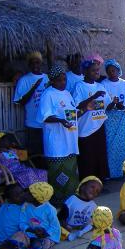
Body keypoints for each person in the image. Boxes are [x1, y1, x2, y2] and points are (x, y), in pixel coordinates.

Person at [38, 65, 79, 205]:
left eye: (64, 79)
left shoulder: (67, 93)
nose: (63, 82)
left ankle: (71, 200)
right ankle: (58, 203)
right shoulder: (48, 95)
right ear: (53, 80)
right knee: (58, 174)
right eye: (60, 80)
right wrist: (60, 120)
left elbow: (72, 113)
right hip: (56, 143)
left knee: (71, 173)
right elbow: (45, 117)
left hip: (70, 141)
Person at [72, 59, 113, 181]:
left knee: (99, 154)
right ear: (85, 72)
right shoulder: (79, 86)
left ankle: (100, 180)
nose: (96, 73)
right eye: (93, 70)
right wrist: (94, 96)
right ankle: (86, 181)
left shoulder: (100, 86)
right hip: (86, 127)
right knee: (87, 156)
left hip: (99, 125)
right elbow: (77, 106)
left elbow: (107, 105)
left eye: (97, 70)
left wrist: (114, 103)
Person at [13, 51, 49, 157]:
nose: (35, 65)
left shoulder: (47, 78)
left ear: (41, 64)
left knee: (47, 154)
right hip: (33, 124)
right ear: (29, 65)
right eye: (32, 63)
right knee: (34, 155)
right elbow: (21, 102)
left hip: (48, 123)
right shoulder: (24, 80)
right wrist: (34, 87)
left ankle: (46, 174)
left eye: (37, 62)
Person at [100, 59, 125, 179]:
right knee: (110, 144)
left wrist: (120, 105)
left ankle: (122, 170)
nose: (112, 72)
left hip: (122, 117)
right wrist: (113, 104)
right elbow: (103, 105)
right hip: (109, 118)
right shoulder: (103, 84)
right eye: (109, 71)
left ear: (119, 71)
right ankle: (111, 172)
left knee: (123, 143)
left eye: (114, 70)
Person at [19, 182, 61, 249]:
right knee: (18, 238)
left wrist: (45, 234)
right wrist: (31, 230)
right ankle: (35, 244)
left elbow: (55, 227)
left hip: (48, 235)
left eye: (29, 194)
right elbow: (22, 222)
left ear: (37, 198)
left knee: (43, 246)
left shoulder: (49, 209)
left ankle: (47, 243)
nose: (25, 194)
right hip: (31, 232)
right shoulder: (25, 206)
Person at [58, 176, 103, 241]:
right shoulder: (72, 200)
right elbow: (61, 216)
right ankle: (68, 235)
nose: (94, 191)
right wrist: (65, 225)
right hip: (67, 226)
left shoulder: (93, 205)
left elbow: (93, 219)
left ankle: (80, 233)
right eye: (92, 187)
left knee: (94, 224)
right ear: (83, 186)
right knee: (56, 227)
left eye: (97, 191)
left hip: (82, 227)